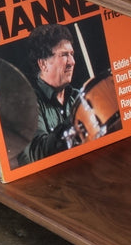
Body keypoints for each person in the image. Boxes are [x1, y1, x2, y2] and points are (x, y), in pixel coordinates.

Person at [16, 23, 82, 164]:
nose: (72, 62)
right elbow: (36, 153)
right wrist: (76, 120)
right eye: (64, 55)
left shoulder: (79, 97)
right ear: (43, 64)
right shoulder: (27, 103)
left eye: (72, 54)